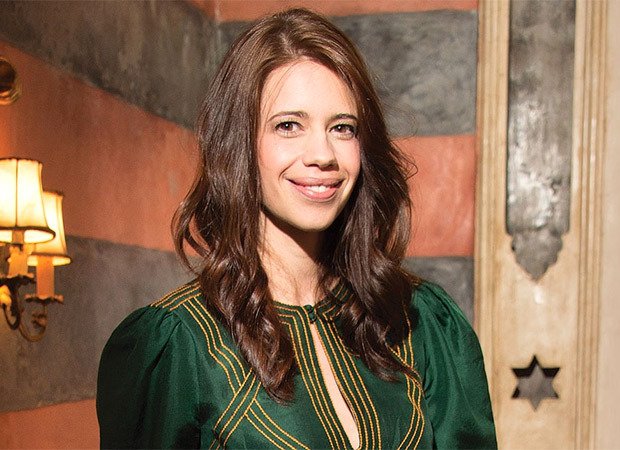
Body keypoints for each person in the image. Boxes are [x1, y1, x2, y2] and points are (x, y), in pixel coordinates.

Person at [97, 8, 496, 449]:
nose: (322, 154)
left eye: (342, 128)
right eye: (288, 126)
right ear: (239, 143)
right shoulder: (178, 346)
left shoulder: (421, 322)